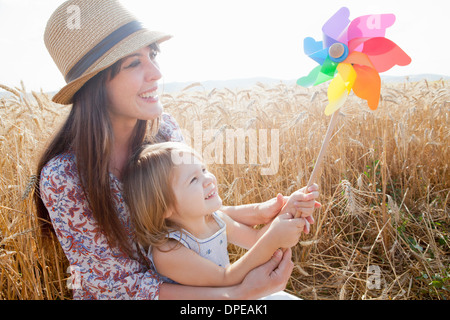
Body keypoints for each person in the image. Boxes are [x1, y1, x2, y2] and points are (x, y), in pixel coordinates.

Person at [35, 0, 320, 300]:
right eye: (134, 63)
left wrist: (263, 212)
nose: (156, 72)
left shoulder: (164, 130)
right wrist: (233, 295)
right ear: (94, 85)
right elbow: (117, 285)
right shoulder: (63, 178)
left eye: (152, 54)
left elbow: (185, 213)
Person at [122, 142, 316, 299]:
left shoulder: (216, 219)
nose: (209, 179)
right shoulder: (168, 250)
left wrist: (290, 209)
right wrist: (274, 237)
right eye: (193, 180)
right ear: (165, 207)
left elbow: (257, 239)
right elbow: (226, 279)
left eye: (204, 169)